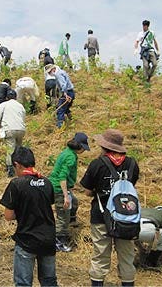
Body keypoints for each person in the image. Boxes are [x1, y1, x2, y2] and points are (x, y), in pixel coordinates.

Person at [80, 129, 140, 287]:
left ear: (104, 146)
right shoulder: (132, 163)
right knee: (127, 256)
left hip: (101, 216)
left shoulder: (97, 164)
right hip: (127, 217)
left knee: (100, 254)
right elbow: (131, 186)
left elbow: (87, 191)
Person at [0, 147, 58, 287]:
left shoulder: (16, 184)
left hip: (27, 239)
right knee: (49, 281)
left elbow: (8, 216)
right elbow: (47, 205)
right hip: (48, 238)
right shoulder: (47, 182)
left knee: (23, 283)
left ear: (17, 164)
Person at [48, 132, 90, 252]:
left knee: (74, 202)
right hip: (58, 188)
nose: (84, 151)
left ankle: (71, 222)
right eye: (84, 148)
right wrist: (66, 196)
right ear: (79, 147)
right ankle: (59, 241)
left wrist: (70, 192)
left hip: (59, 186)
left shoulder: (68, 152)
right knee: (63, 216)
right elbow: (62, 177)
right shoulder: (71, 157)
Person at [0, 89, 26, 178]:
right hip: (21, 129)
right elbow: (23, 117)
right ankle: (20, 168)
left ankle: (10, 170)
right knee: (18, 150)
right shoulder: (20, 105)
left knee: (10, 149)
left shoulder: (3, 104)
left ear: (7, 97)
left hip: (9, 129)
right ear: (16, 97)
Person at [45, 64, 75, 128]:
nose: (49, 73)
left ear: (53, 69)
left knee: (60, 109)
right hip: (70, 92)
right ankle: (71, 118)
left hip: (67, 93)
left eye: (49, 72)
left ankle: (60, 126)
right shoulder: (61, 72)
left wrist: (65, 94)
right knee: (65, 107)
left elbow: (63, 84)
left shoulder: (58, 74)